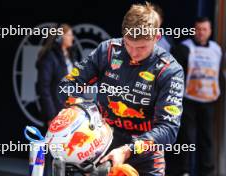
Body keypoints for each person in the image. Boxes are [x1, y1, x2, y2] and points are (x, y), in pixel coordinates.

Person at [59, 2, 184, 175]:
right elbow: (67, 85)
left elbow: (169, 129)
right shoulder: (108, 51)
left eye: (141, 47)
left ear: (157, 37)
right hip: (100, 148)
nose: (134, 52)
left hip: (145, 157)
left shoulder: (170, 70)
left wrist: (127, 150)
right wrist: (83, 112)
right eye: (128, 44)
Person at [171, 17, 223, 176]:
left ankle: (207, 172)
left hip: (209, 101)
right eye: (198, 29)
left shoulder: (216, 49)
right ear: (193, 30)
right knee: (187, 138)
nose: (201, 33)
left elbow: (218, 73)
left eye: (204, 29)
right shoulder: (184, 48)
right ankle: (184, 171)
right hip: (188, 100)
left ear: (210, 31)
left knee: (206, 139)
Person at [36, 23, 78, 128]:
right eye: (69, 35)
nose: (72, 38)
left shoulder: (70, 57)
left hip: (70, 113)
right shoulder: (50, 57)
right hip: (56, 114)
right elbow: (43, 88)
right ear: (60, 38)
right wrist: (51, 116)